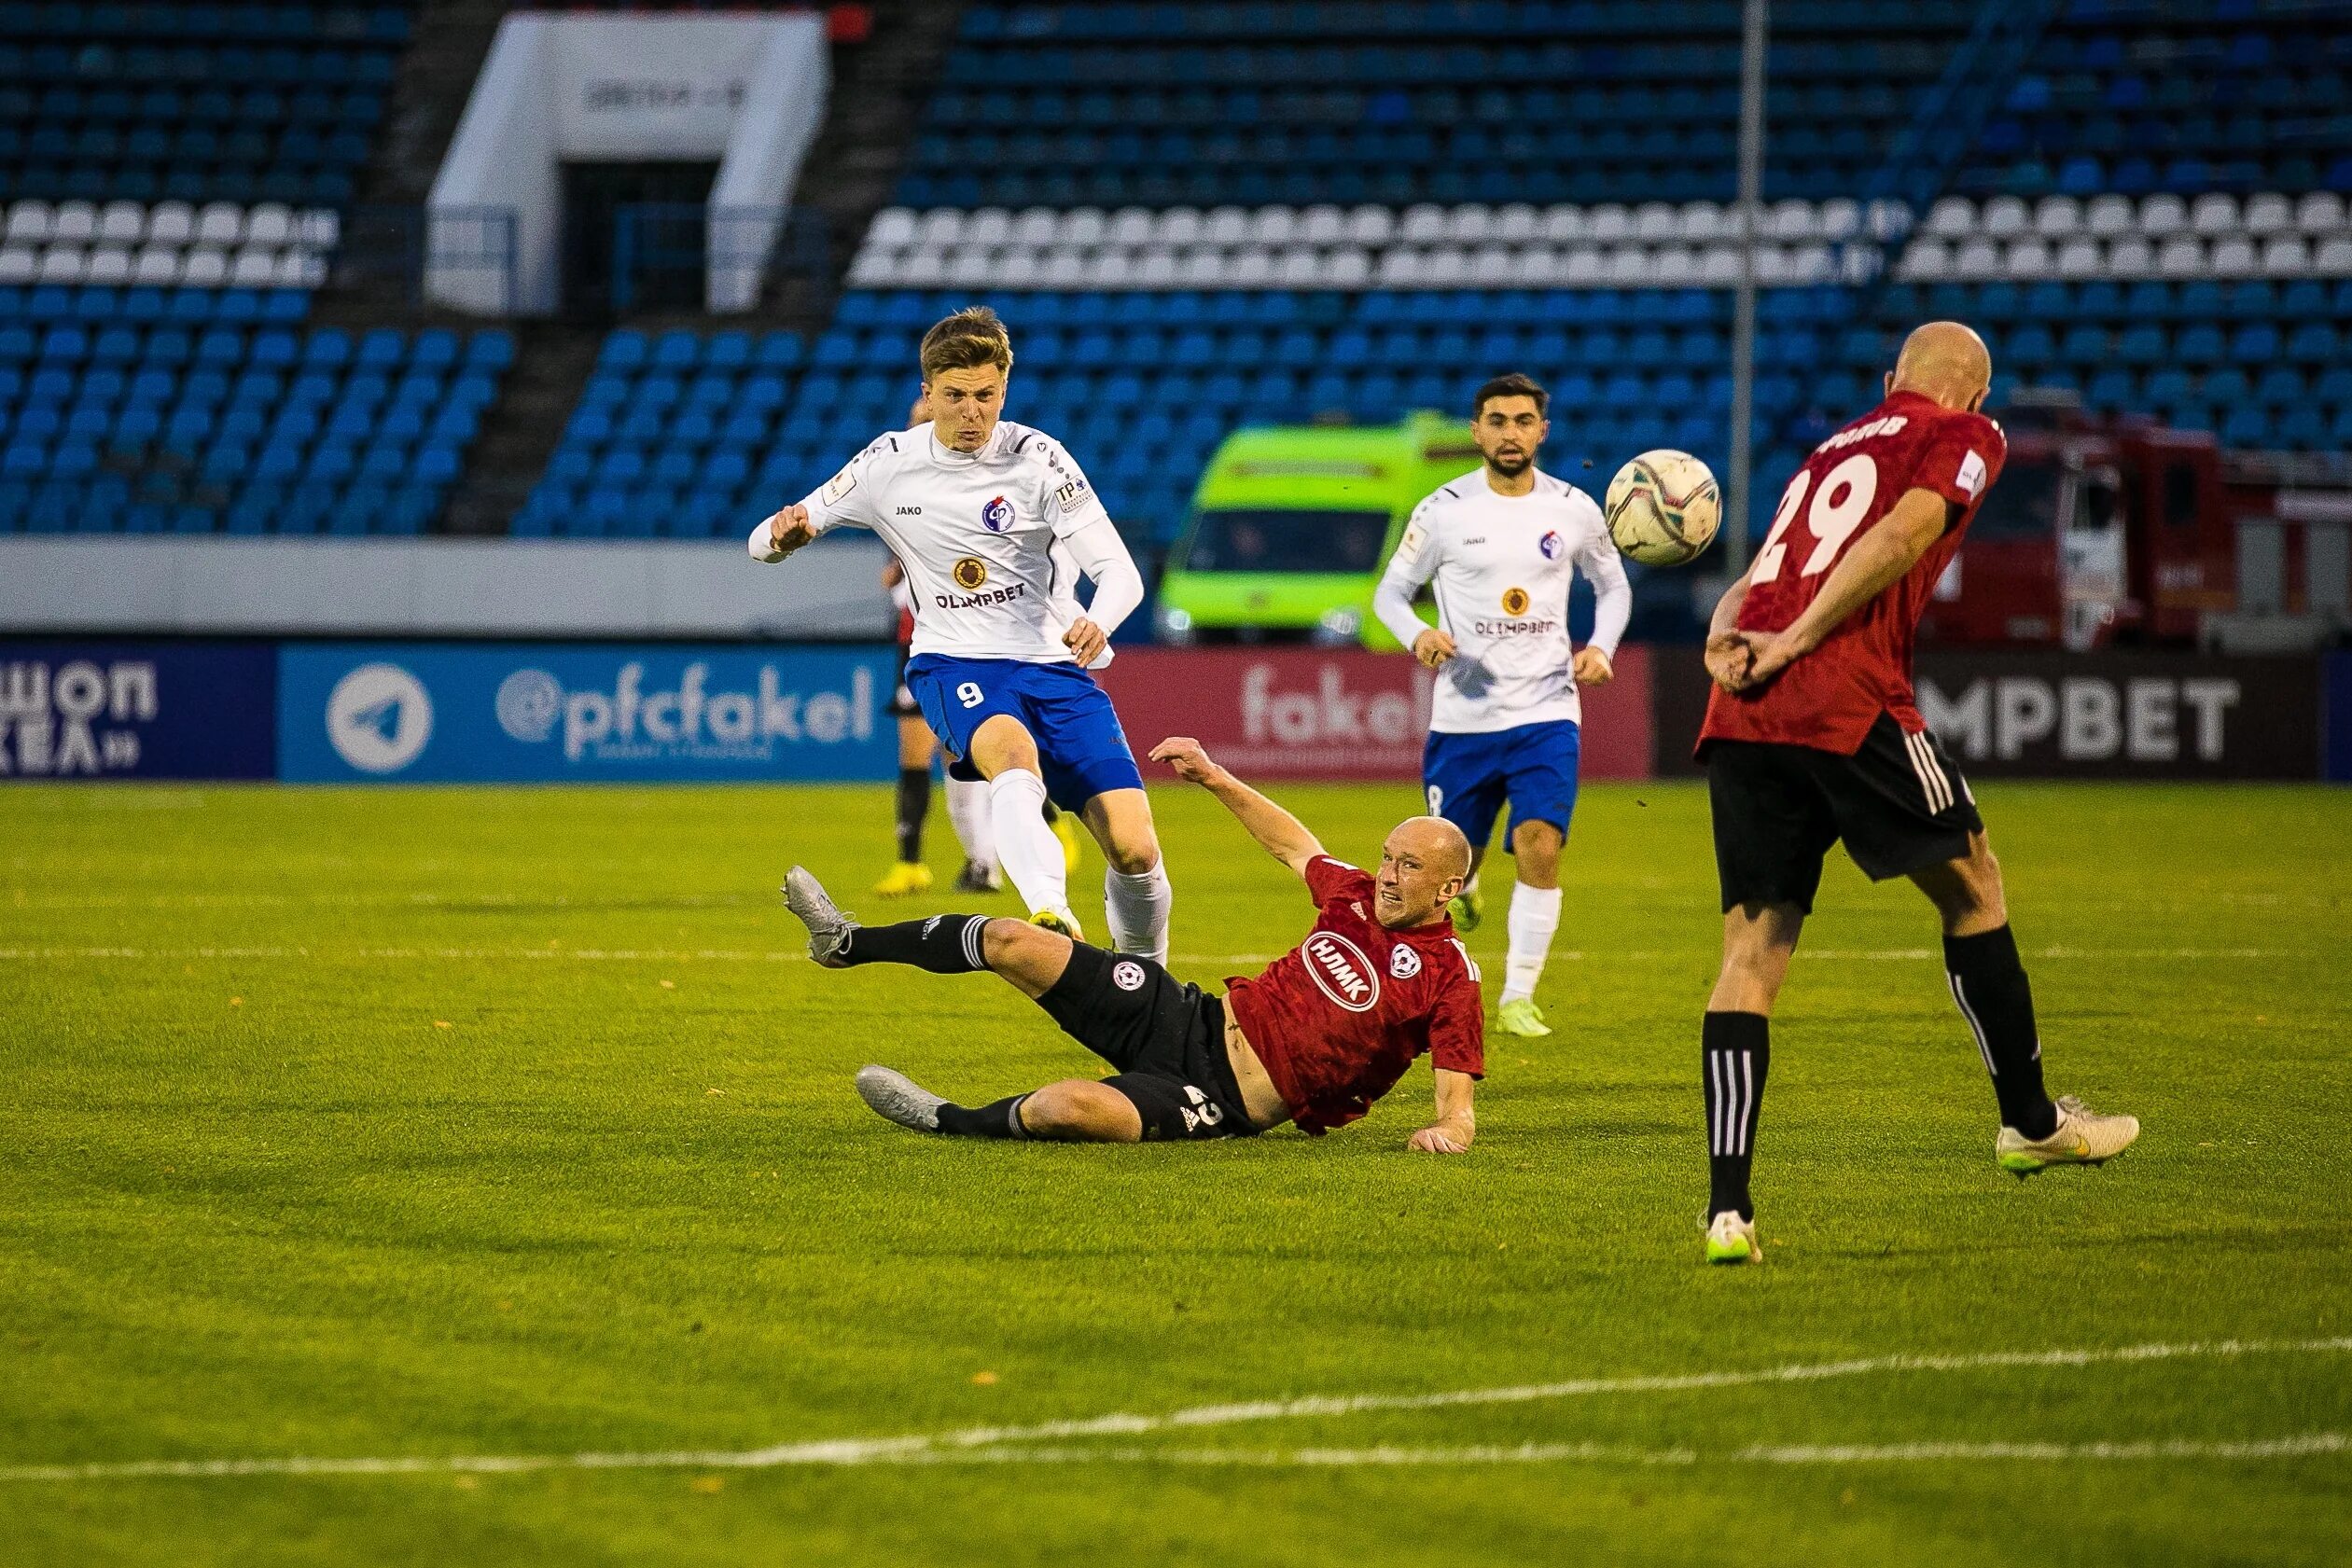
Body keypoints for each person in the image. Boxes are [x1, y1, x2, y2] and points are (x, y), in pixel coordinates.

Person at [1694, 321, 2139, 1266]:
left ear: (1890, 375)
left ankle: (1727, 1211)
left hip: (1737, 703)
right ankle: (2028, 1122)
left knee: (1752, 946)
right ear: (1974, 395)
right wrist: (1803, 639)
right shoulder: (1966, 434)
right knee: (1973, 883)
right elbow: (1904, 532)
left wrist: (1726, 635)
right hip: (1841, 690)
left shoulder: (1826, 451)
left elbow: (1750, 576)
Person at [780, 736, 1485, 1151]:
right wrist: (1213, 775)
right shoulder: (1353, 893)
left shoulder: (1449, 977)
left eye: (1408, 867)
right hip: (1188, 1016)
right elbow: (1292, 843)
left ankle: (943, 1120)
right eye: (1388, 858)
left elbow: (1457, 1098)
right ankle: (846, 941)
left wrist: (1447, 1131)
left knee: (1068, 1108)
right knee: (1010, 937)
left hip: (1221, 1100)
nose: (1388, 876)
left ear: (1448, 889)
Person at [751, 307, 1168, 958]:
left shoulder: (1038, 457)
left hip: (1052, 665)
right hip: (954, 661)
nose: (972, 413)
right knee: (1011, 755)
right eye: (954, 397)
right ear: (927, 394)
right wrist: (780, 540)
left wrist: (1099, 618)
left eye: (986, 396)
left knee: (1135, 849)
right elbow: (765, 540)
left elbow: (1118, 570)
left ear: (1004, 389)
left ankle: (1146, 983)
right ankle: (1051, 911)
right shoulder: (888, 461)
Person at [1371, 372, 1630, 1039]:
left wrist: (1600, 647)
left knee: (1539, 842)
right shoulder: (1442, 511)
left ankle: (1517, 995)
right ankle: (1468, 892)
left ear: (1541, 430)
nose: (1509, 431)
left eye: (1522, 420)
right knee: (1447, 870)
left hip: (1546, 712)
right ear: (1475, 430)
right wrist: (1419, 633)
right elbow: (1389, 595)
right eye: (1496, 419)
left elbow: (1612, 587)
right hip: (1462, 720)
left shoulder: (1574, 508)